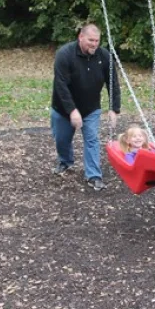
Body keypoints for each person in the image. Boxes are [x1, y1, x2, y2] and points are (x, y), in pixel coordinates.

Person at [51, 23, 121, 191]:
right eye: (91, 40)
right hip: (63, 109)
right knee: (62, 140)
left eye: (97, 41)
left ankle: (94, 175)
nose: (94, 44)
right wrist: (72, 111)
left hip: (91, 108)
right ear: (80, 37)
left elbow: (113, 83)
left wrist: (114, 108)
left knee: (92, 139)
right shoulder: (65, 55)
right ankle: (65, 161)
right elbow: (60, 86)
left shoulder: (104, 56)